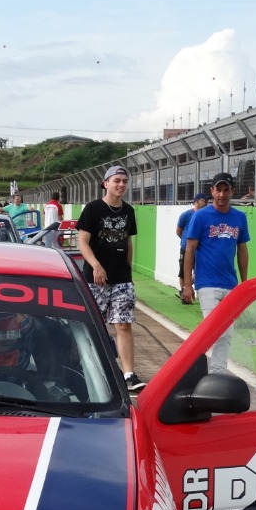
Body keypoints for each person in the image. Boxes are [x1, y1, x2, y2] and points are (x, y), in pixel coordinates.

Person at [77, 165, 144, 392]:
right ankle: (92, 370)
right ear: (106, 183)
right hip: (96, 278)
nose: (121, 185)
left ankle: (129, 375)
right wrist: (96, 265)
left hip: (122, 278)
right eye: (117, 181)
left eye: (125, 181)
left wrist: (128, 268)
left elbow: (128, 241)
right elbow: (83, 242)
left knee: (123, 324)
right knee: (94, 325)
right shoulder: (93, 209)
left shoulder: (129, 211)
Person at [182, 172, 249, 372]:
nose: (221, 194)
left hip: (231, 283)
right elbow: (190, 249)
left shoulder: (240, 217)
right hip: (207, 283)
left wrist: (244, 284)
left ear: (232, 192)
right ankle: (189, 365)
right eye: (218, 190)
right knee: (213, 329)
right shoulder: (201, 216)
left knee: (226, 333)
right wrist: (187, 284)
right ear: (211, 191)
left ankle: (217, 372)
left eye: (226, 190)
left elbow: (242, 250)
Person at [175, 193, 209, 295]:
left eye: (207, 201)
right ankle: (184, 292)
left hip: (200, 249)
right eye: (204, 200)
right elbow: (178, 231)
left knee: (199, 271)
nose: (206, 203)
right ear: (197, 201)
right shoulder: (186, 215)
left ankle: (186, 288)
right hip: (186, 247)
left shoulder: (206, 215)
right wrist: (187, 242)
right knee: (183, 271)